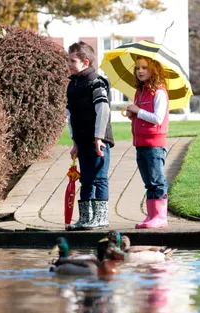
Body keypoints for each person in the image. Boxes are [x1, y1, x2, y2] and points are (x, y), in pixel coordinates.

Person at [65, 42, 114, 231]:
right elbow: (71, 115)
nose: (68, 64)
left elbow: (103, 110)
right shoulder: (72, 85)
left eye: (72, 60)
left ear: (85, 62)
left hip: (98, 140)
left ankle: (101, 217)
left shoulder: (96, 82)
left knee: (99, 177)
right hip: (83, 140)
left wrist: (99, 137)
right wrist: (75, 142)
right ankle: (85, 217)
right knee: (85, 179)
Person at [124, 56, 171, 229]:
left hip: (154, 145)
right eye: (137, 68)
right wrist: (132, 114)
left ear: (154, 70)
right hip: (141, 143)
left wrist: (138, 110)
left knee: (157, 180)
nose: (140, 71)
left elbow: (157, 118)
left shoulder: (159, 92)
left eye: (144, 68)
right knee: (148, 181)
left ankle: (160, 216)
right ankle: (151, 215)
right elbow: (142, 116)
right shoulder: (140, 92)